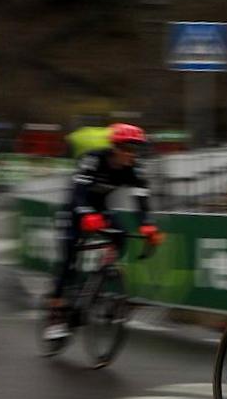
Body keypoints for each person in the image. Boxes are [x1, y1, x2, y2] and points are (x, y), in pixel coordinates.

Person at [44, 123, 160, 340]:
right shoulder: (93, 159)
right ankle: (56, 312)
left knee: (121, 235)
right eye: (126, 149)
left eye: (135, 150)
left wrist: (147, 225)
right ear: (114, 147)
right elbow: (78, 193)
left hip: (100, 209)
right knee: (69, 258)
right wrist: (86, 214)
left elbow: (142, 201)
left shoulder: (134, 170)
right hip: (75, 209)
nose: (131, 155)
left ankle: (100, 278)